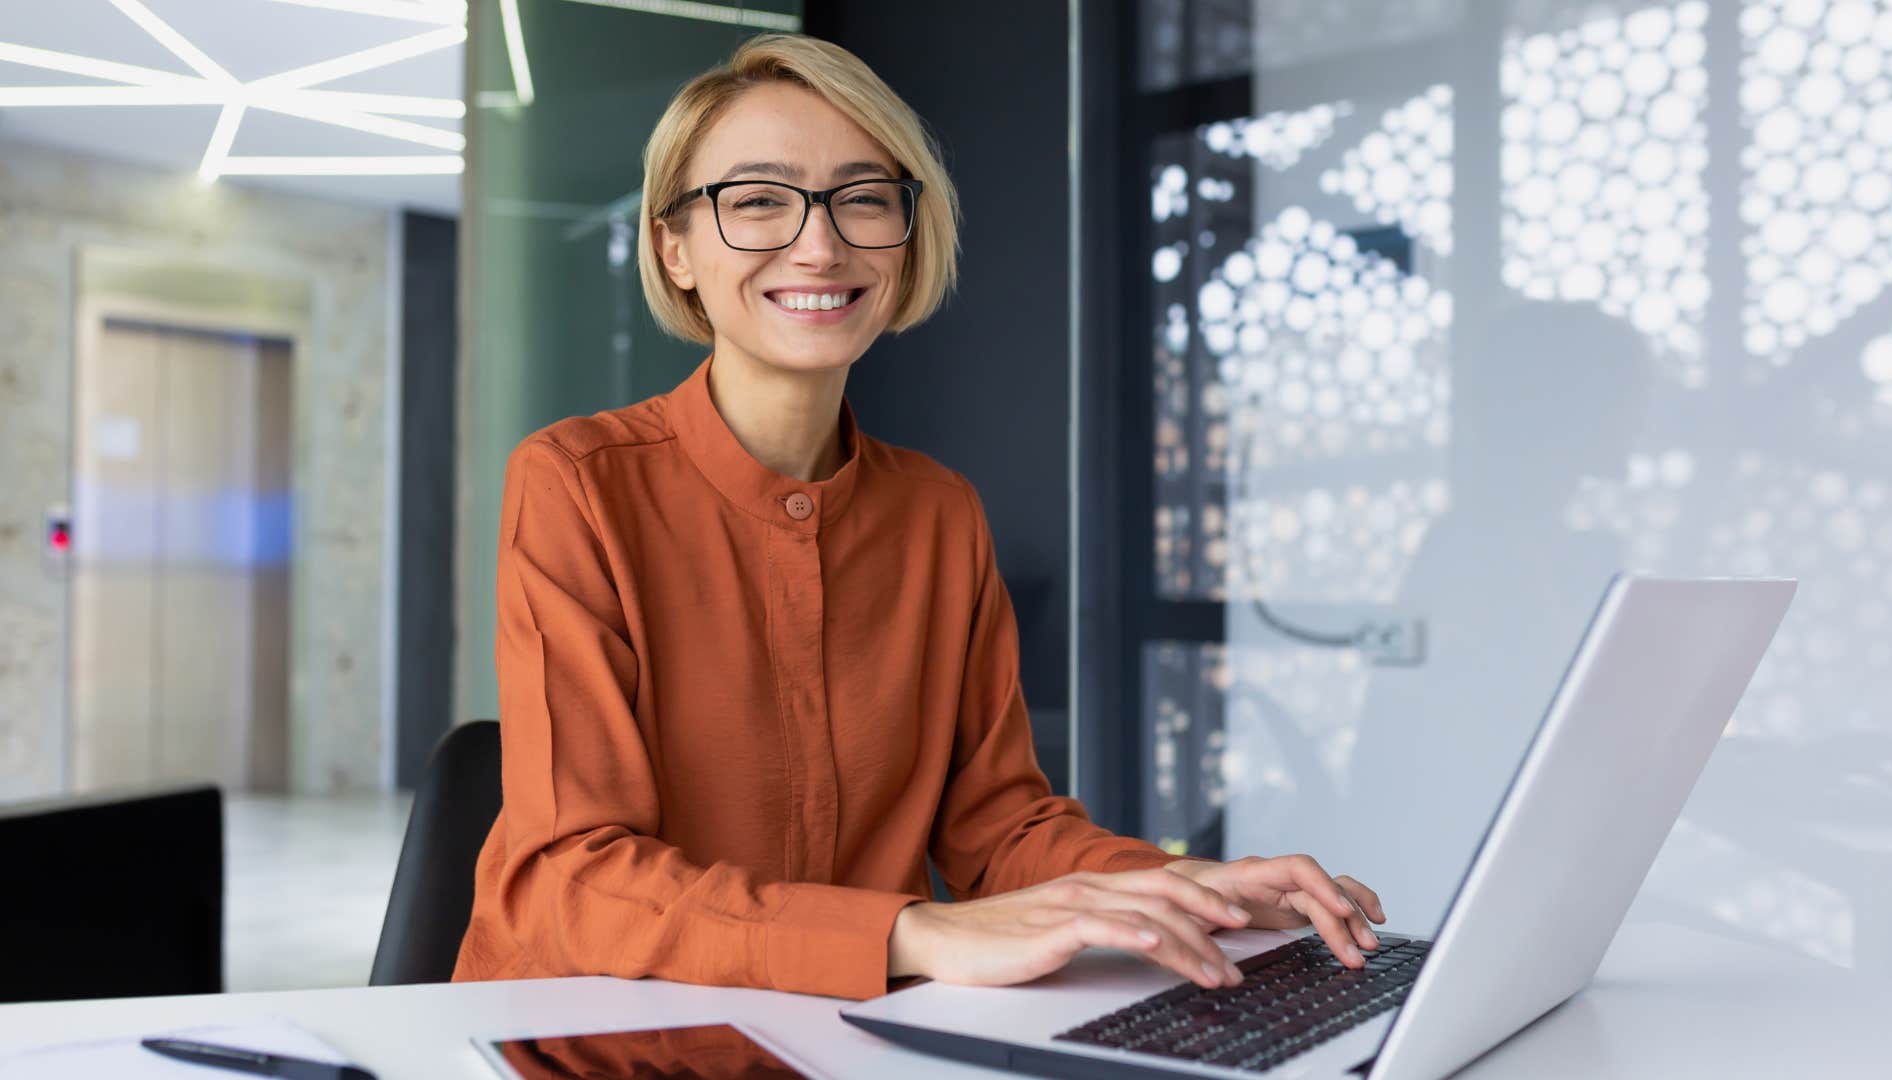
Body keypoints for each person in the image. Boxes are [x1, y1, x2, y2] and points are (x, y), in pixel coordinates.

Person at [451, 32, 1385, 1002]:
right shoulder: (577, 485)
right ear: (673, 247)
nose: (821, 244)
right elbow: (576, 878)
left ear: (907, 236)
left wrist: (1181, 886)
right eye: (759, 201)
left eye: (862, 198)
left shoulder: (939, 514)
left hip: (843, 1045)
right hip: (586, 1043)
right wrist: (913, 930)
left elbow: (1001, 830)